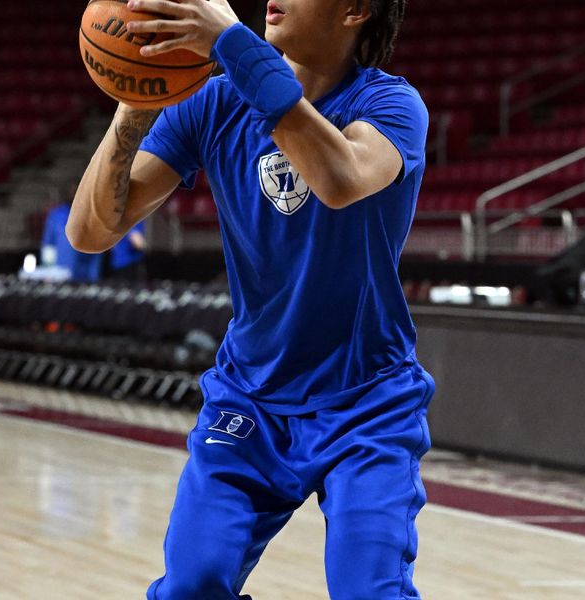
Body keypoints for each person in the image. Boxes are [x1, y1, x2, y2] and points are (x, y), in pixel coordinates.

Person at [67, 1, 434, 598]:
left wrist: (233, 44)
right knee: (192, 585)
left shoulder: (390, 105)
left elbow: (338, 179)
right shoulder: (213, 102)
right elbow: (90, 231)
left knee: (370, 590)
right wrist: (134, 105)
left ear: (356, 10)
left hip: (365, 404)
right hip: (251, 399)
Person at [41, 197, 104, 283]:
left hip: (82, 277)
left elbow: (97, 250)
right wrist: (47, 271)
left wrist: (94, 277)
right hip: (59, 275)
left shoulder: (91, 216)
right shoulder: (57, 215)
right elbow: (48, 246)